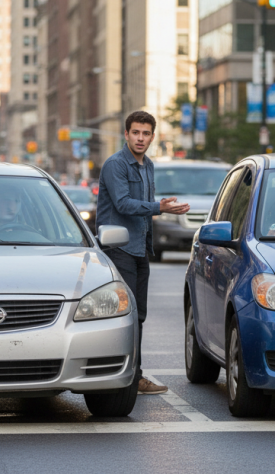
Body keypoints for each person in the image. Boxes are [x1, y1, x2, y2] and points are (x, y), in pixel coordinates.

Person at [97, 110, 190, 395]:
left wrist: (159, 210)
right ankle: (121, 375)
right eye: (135, 132)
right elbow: (124, 204)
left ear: (152, 136)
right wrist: (160, 208)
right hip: (119, 248)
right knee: (123, 316)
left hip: (140, 250)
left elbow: (142, 209)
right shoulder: (115, 165)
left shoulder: (148, 165)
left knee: (138, 316)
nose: (140, 138)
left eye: (146, 133)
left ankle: (134, 375)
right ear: (126, 134)